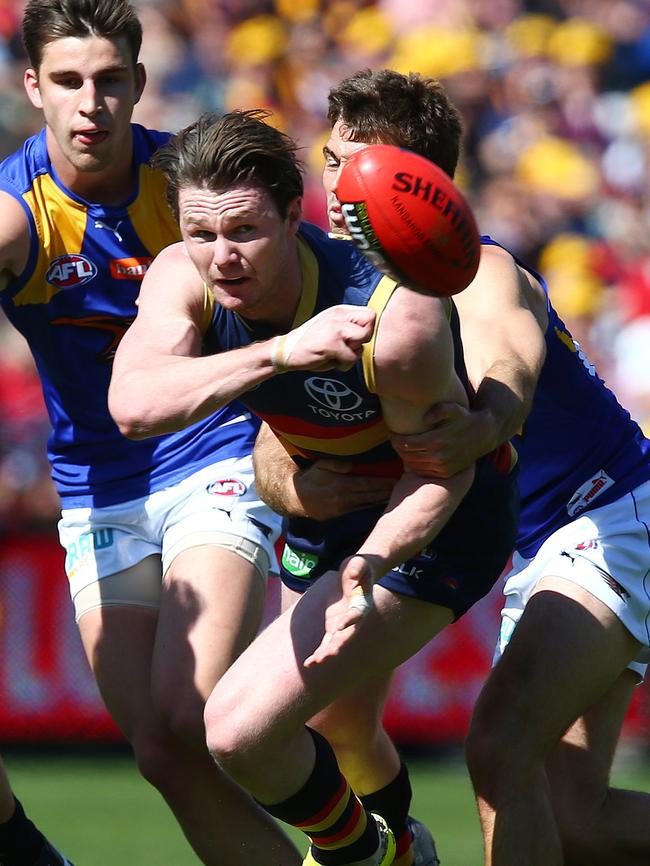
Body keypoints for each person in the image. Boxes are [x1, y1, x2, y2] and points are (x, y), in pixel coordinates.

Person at [253, 69, 650, 866]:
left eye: (356, 166)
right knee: (576, 818)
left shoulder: (479, 271)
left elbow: (511, 362)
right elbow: (275, 437)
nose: (334, 184)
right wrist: (298, 484)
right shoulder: (344, 295)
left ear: (416, 184)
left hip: (607, 516)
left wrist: (487, 422)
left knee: (499, 748)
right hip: (554, 544)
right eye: (329, 161)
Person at [107, 107, 519, 866]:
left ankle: (364, 855)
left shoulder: (394, 317)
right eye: (201, 235)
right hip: (326, 512)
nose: (222, 258)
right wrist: (284, 354)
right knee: (336, 729)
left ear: (297, 214)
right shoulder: (183, 276)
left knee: (235, 730)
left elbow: (444, 471)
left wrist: (367, 566)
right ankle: (392, 852)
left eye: (245, 232)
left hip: (437, 522)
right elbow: (134, 406)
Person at [0, 2, 301, 864]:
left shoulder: (188, 187)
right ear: (34, 88)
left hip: (210, 453)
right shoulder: (17, 217)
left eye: (107, 80)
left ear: (137, 84)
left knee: (193, 710)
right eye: (66, 81)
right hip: (97, 491)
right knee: (164, 755)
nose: (88, 102)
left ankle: (356, 832)